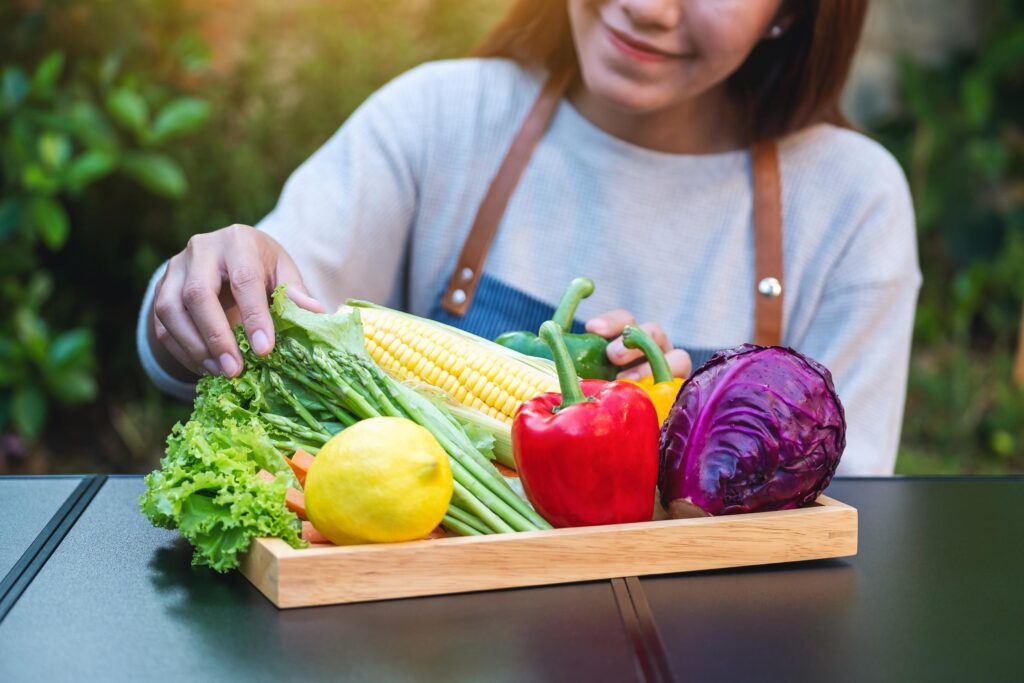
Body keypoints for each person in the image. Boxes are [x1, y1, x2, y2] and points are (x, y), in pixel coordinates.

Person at [137, 0, 921, 475]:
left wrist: (663, 437)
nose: (647, 9)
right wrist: (202, 296)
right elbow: (243, 316)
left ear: (792, 9)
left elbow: (851, 512)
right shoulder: (440, 119)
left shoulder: (852, 200)